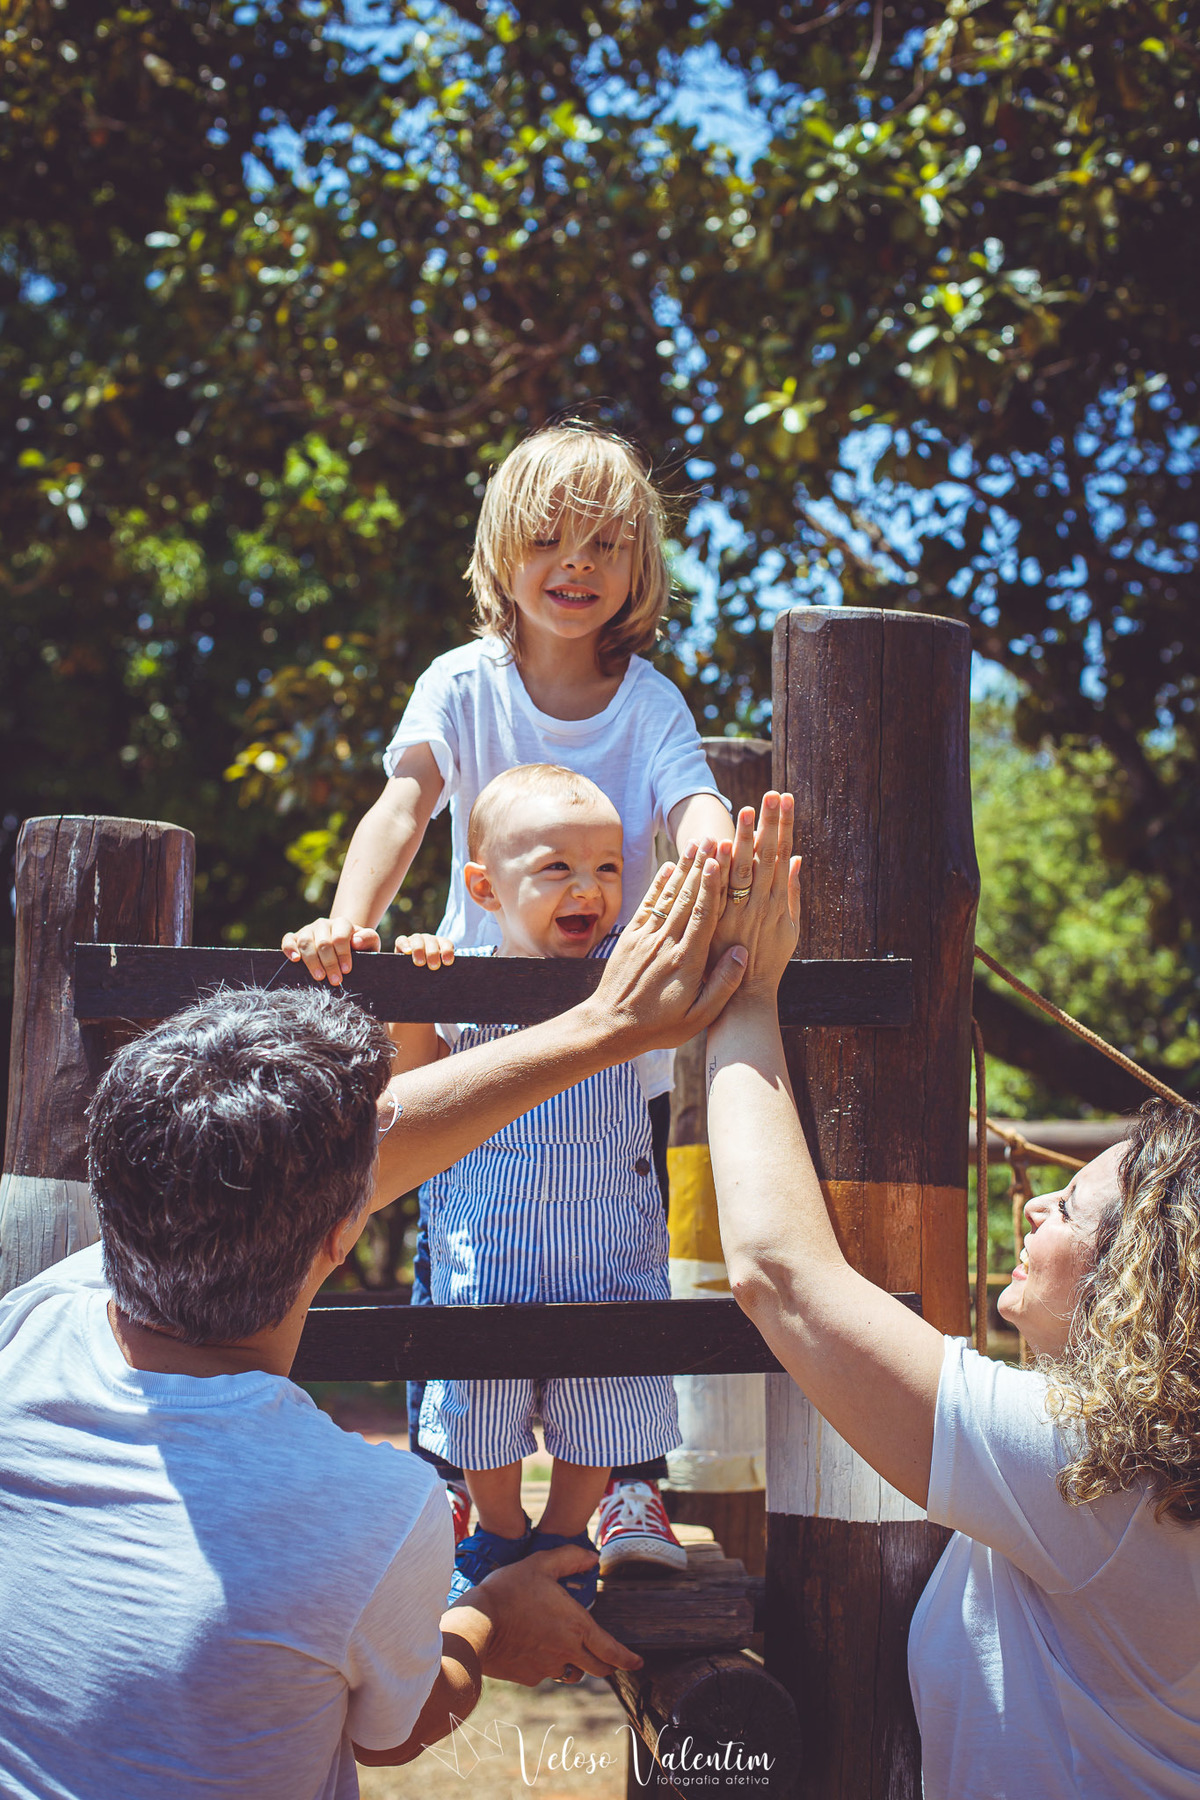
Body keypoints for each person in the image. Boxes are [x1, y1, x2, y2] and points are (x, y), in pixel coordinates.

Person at [0, 843, 748, 1800]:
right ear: (346, 1230)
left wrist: (601, 1028)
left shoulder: (34, 1325)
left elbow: (365, 1157)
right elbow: (399, 1733)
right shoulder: (368, 1513)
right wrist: (485, 1622)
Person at [281, 421, 735, 1560]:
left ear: (638, 569)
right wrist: (354, 916)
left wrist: (721, 853)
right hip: (472, 1024)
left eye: (604, 544)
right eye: (549, 539)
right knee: (464, 1271)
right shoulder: (464, 685)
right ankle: (462, 1497)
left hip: (603, 1038)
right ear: (503, 553)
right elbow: (405, 801)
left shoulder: (651, 703)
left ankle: (620, 1489)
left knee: (612, 1271)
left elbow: (689, 807)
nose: (575, 565)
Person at [704, 793, 1200, 1800]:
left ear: (1132, 1282)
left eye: (1065, 1204)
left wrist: (746, 994)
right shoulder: (1158, 1485)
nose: (1029, 1206)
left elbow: (783, 1278)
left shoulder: (1091, 1478)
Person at [391, 763, 687, 1605]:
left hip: (606, 1243)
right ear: (484, 887)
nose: (587, 887)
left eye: (605, 867)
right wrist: (415, 989)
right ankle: (499, 1533)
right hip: (488, 1246)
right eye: (556, 867)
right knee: (481, 1396)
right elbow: (407, 1089)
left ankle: (564, 1536)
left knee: (603, 1396)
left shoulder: (624, 971)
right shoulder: (465, 980)